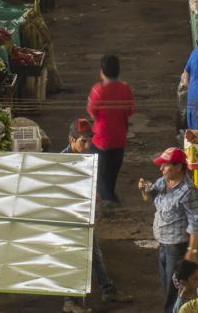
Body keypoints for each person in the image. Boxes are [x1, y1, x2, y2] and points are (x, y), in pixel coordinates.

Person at [61, 119, 133, 313]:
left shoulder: (89, 156)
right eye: (83, 141)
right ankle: (70, 300)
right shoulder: (61, 162)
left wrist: (95, 193)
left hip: (86, 215)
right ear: (71, 139)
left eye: (89, 140)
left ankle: (107, 290)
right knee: (73, 255)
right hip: (69, 218)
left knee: (95, 253)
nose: (87, 145)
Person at [138, 147, 198, 313]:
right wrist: (144, 189)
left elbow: (196, 220)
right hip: (163, 243)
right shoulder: (163, 181)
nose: (161, 169)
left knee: (174, 289)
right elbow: (153, 196)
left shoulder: (188, 191)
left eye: (165, 165)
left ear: (178, 167)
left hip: (177, 247)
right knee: (166, 284)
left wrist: (192, 249)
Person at [87, 55, 135, 206]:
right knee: (113, 170)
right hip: (120, 137)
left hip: (101, 139)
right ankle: (110, 195)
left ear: (102, 72)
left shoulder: (98, 90)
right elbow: (130, 110)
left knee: (97, 171)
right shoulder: (125, 88)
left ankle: (109, 199)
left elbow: (92, 111)